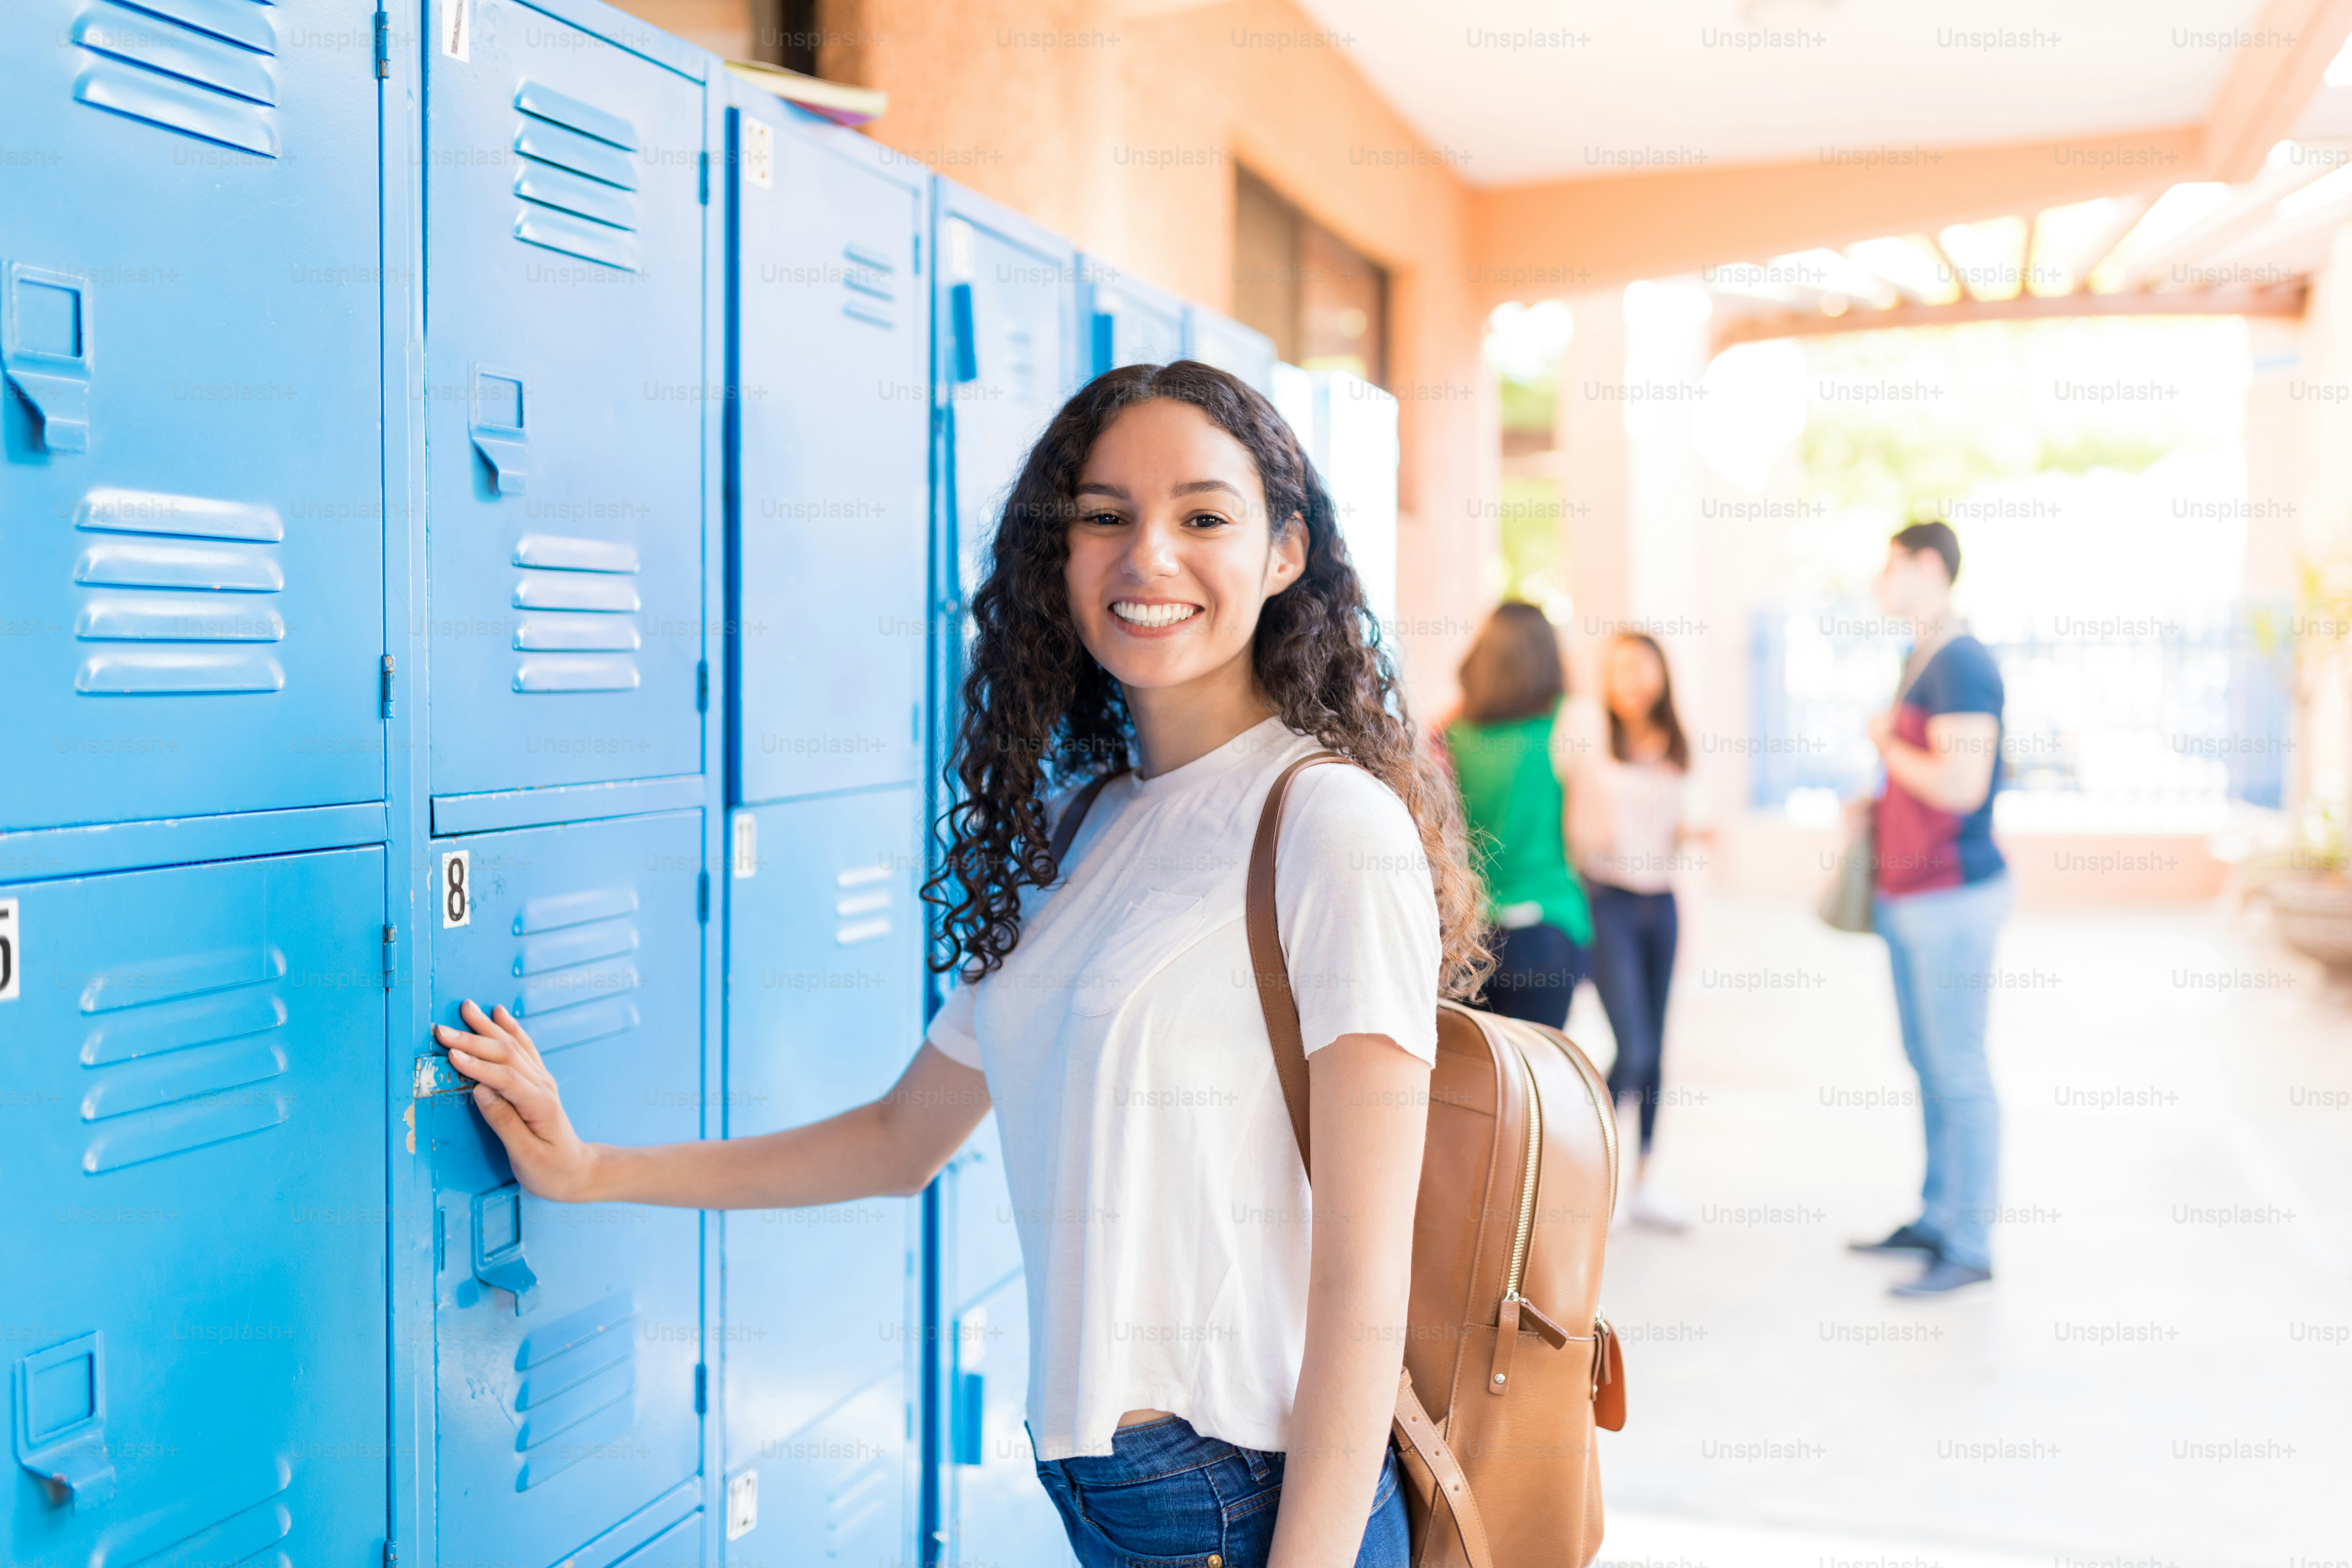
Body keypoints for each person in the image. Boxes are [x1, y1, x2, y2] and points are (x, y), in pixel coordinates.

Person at [432, 361, 1490, 1567]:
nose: (1149, 556)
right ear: (1060, 554)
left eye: (1204, 516)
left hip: (1253, 1505)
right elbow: (899, 1141)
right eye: (1106, 516)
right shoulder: (1075, 826)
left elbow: (1363, 1285)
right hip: (1121, 1502)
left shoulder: (1326, 825)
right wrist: (589, 1168)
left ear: (1287, 552)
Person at [1846, 519, 2009, 1298]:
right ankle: (1939, 1214)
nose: (1882, 583)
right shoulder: (1921, 659)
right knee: (1929, 1062)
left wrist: (1886, 744)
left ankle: (1969, 1240)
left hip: (1952, 896)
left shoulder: (1962, 664)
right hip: (1913, 892)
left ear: (1925, 566)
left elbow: (1961, 786)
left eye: (1891, 566)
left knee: (1959, 1068)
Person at [1571, 631, 1700, 1232]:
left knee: (1659, 1051)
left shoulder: (1675, 740)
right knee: (1635, 1045)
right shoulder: (1590, 731)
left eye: (1642, 669)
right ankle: (1579, 1149)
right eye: (1620, 669)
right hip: (1609, 901)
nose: (1632, 680)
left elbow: (1682, 822)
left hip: (1662, 903)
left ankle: (1645, 1181)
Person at [1443, 602, 1594, 1028]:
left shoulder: (1453, 730)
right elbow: (1586, 835)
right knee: (1537, 1082)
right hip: (1548, 924)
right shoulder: (1568, 721)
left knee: (1481, 1087)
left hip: (1471, 939)